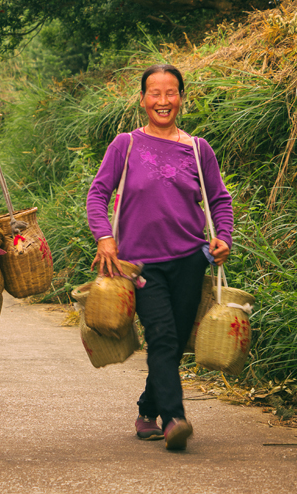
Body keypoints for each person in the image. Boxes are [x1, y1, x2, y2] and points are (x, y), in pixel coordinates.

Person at [85, 64, 233, 451]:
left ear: (181, 98)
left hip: (189, 259)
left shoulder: (199, 149)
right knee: (163, 336)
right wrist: (104, 237)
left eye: (170, 93)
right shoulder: (126, 144)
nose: (162, 101)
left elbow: (219, 200)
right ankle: (174, 419)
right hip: (139, 264)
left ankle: (147, 408)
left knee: (176, 339)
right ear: (142, 100)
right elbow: (98, 194)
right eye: (155, 93)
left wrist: (224, 238)